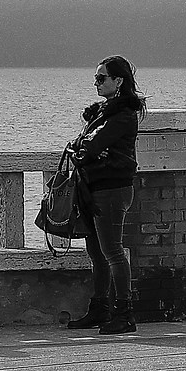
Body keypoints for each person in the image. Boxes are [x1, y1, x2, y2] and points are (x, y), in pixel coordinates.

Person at [66, 54, 145, 335]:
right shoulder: (103, 112)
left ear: (118, 81)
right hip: (94, 188)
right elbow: (82, 145)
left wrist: (85, 150)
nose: (96, 83)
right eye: (95, 78)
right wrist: (84, 149)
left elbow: (90, 145)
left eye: (102, 78)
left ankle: (124, 313)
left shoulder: (123, 114)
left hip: (112, 188)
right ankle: (100, 308)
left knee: (112, 251)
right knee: (96, 252)